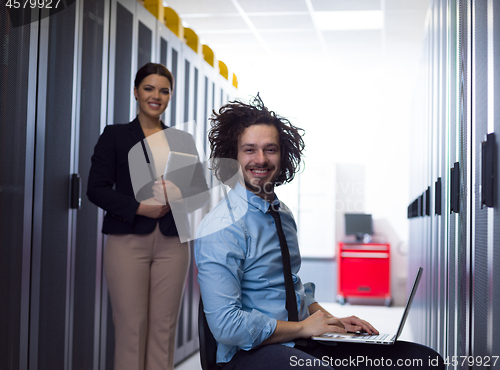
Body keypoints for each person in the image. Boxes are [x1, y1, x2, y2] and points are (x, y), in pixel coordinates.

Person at [195, 96, 444, 370]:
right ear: (233, 156)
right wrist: (302, 328)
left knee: (422, 361)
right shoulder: (221, 227)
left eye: (271, 149)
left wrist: (332, 321)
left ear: (283, 155)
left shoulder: (282, 214)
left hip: (301, 339)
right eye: (250, 150)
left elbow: (291, 288)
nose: (261, 159)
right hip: (249, 353)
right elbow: (227, 326)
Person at [87, 62, 208, 370]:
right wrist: (140, 206)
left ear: (170, 96)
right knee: (132, 328)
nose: (157, 96)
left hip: (173, 243)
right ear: (136, 92)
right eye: (149, 88)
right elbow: (96, 189)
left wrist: (178, 194)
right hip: (127, 240)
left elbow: (199, 194)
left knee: (164, 329)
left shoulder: (181, 140)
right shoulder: (114, 136)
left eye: (164, 90)